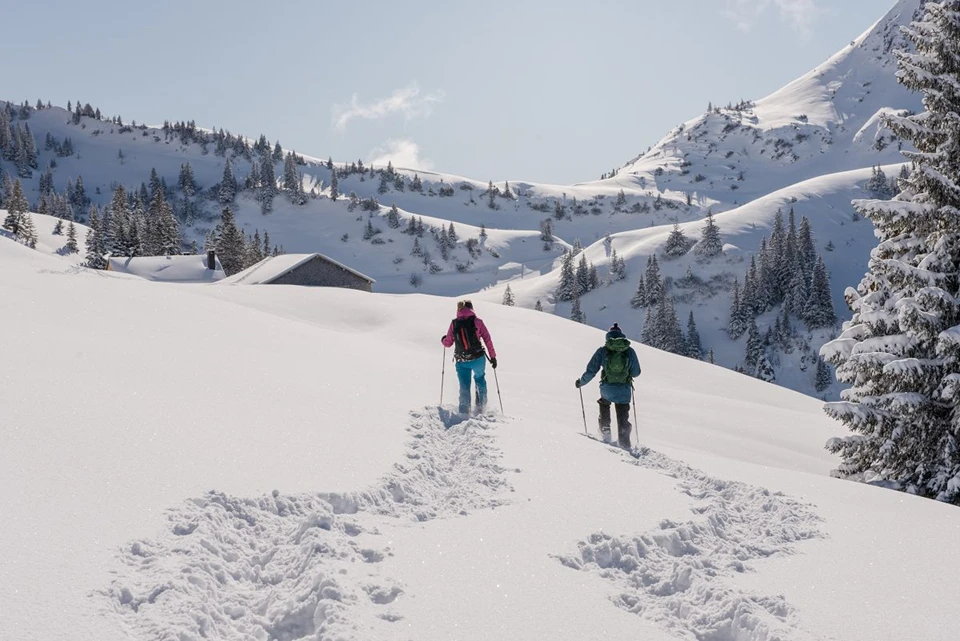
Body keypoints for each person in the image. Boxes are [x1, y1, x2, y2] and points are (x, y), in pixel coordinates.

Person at [575, 323, 641, 448]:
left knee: (604, 404)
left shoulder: (603, 350)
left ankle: (605, 432)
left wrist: (581, 382)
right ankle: (625, 442)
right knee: (623, 416)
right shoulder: (629, 351)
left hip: (607, 388)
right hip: (624, 390)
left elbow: (591, 371)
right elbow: (636, 373)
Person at [441, 300, 498, 415]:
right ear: (471, 308)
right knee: (480, 380)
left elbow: (448, 343)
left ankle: (464, 412)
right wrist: (493, 357)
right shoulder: (478, 322)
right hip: (478, 359)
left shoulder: (454, 323)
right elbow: (487, 339)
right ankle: (481, 409)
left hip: (462, 360)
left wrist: (443, 339)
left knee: (464, 385)